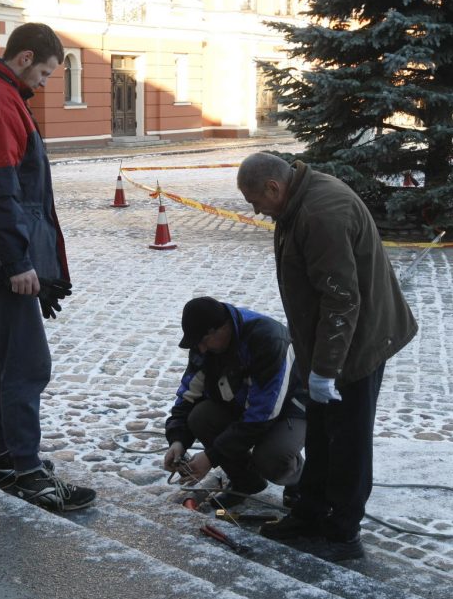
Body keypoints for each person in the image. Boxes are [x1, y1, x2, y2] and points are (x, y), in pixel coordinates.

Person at [0, 22, 95, 511]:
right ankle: (26, 471)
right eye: (46, 73)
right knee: (27, 365)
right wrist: (17, 262)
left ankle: (3, 459)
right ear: (25, 58)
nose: (45, 84)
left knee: (1, 362)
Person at [236, 152, 418, 561]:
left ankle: (343, 530)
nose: (256, 210)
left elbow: (341, 301)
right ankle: (310, 511)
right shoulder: (298, 202)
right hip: (327, 342)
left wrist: (326, 371)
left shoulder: (320, 214)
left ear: (273, 187)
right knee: (320, 431)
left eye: (255, 201)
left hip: (357, 342)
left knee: (349, 438)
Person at [163, 297, 307, 508]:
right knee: (200, 417)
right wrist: (178, 440)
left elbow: (263, 413)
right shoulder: (204, 343)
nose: (201, 349)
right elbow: (188, 394)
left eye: (204, 342)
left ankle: (302, 482)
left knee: (271, 458)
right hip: (244, 405)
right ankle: (246, 482)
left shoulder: (269, 339)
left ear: (221, 329)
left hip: (288, 409)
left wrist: (211, 457)